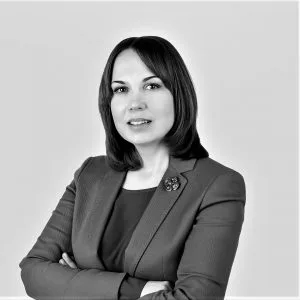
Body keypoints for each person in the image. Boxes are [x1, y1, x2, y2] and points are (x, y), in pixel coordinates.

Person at [19, 36, 246, 300]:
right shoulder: (90, 174)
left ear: (178, 94)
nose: (135, 103)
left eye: (151, 85)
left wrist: (76, 283)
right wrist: (137, 289)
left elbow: (194, 298)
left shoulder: (217, 184)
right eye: (120, 89)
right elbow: (33, 272)